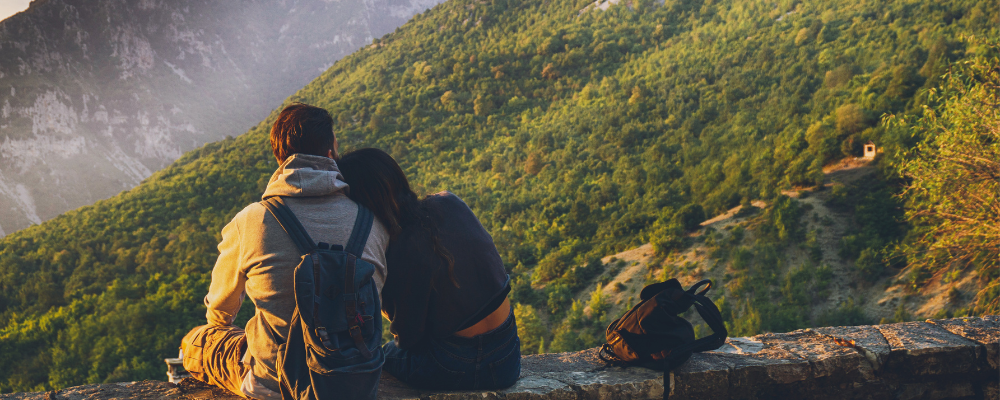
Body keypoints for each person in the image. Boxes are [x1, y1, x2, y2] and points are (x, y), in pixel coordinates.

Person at [180, 104, 390, 399]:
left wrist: (228, 330)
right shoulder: (373, 222)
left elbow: (220, 308)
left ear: (280, 159)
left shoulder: (252, 219)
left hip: (275, 381)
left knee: (195, 341)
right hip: (353, 379)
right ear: (331, 153)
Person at [337, 148, 520, 391]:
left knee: (382, 355)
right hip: (509, 356)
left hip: (456, 364)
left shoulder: (399, 249)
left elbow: (408, 339)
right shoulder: (449, 202)